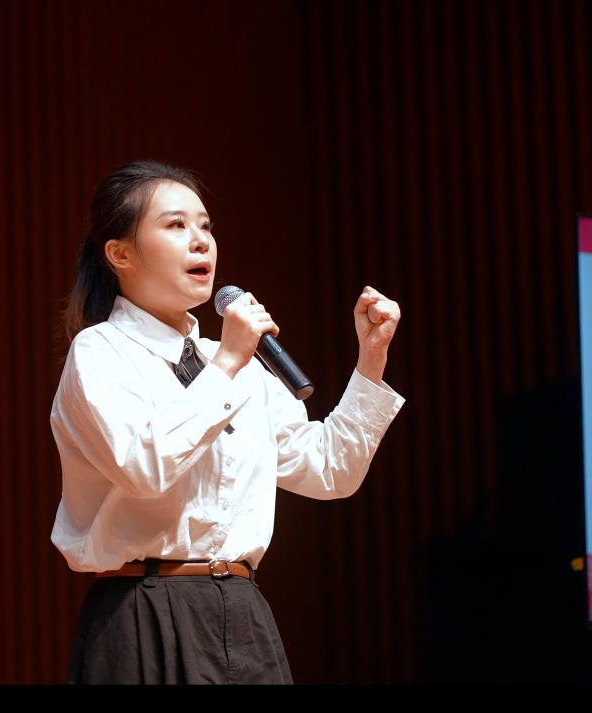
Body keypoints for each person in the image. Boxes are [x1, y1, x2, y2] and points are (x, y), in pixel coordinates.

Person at [49, 160, 405, 684]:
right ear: (120, 253)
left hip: (243, 608)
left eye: (206, 226)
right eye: (176, 225)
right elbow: (144, 468)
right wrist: (229, 362)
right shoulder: (101, 351)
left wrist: (370, 361)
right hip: (143, 607)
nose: (201, 242)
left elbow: (331, 471)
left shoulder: (238, 363)